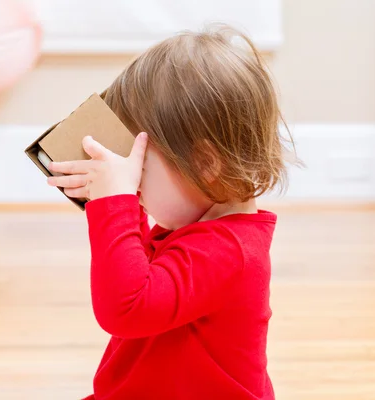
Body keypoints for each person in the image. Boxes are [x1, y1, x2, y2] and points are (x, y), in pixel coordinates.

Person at [47, 23, 297, 400]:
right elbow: (133, 274)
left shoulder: (229, 252)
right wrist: (114, 200)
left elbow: (126, 310)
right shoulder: (195, 224)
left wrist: (116, 203)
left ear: (205, 164)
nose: (132, 184)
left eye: (139, 170)